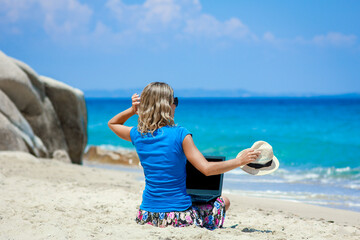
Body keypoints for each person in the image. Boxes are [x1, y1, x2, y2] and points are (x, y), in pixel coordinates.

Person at [108, 82, 260, 230]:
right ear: (167, 105)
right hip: (177, 216)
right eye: (175, 101)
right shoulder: (181, 134)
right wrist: (239, 161)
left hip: (147, 214)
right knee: (223, 201)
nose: (176, 105)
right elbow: (206, 169)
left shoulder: (137, 134)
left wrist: (132, 110)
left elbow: (113, 124)